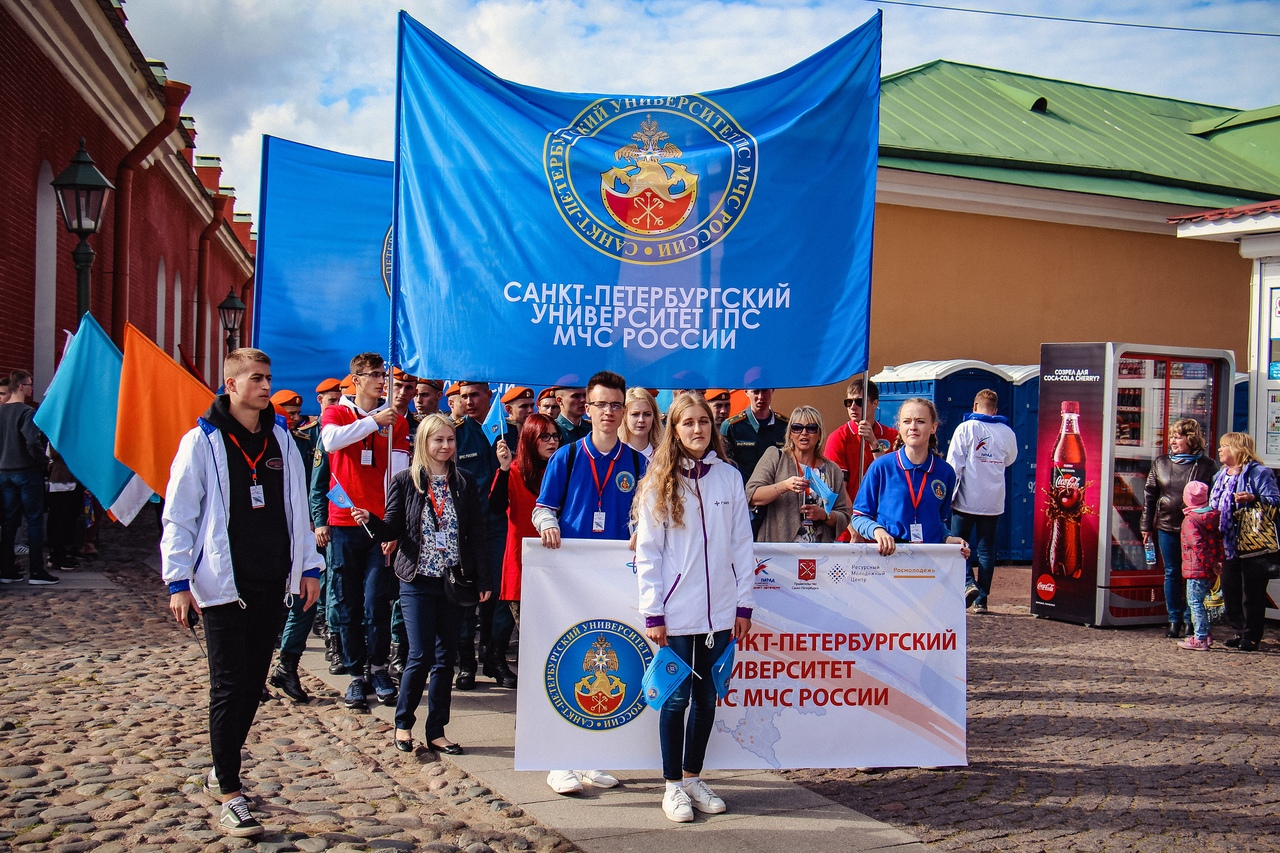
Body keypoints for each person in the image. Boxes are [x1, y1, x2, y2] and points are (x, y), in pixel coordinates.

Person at [162, 348, 323, 838]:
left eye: (268, 377)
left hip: (272, 580)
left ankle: (221, 767)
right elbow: (180, 513)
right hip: (221, 584)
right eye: (256, 378)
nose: (266, 386)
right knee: (229, 685)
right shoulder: (202, 441)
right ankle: (230, 792)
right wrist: (178, 582)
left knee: (253, 685)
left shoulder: (282, 438)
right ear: (231, 384)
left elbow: (297, 507)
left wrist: (308, 567)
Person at [634, 392, 755, 823]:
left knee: (707, 698)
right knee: (676, 698)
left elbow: (742, 544)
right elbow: (649, 552)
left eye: (703, 421)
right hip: (677, 613)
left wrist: (744, 604)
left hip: (720, 611)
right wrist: (653, 612)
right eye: (688, 423)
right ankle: (671, 787)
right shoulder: (659, 480)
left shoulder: (728, 477)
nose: (697, 429)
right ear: (674, 429)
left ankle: (692, 779)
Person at [352, 413, 494, 755]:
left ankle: (437, 730)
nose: (445, 446)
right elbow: (392, 528)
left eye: (450, 440)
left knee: (446, 659)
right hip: (417, 580)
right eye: (438, 440)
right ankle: (403, 724)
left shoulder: (464, 481)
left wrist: (484, 577)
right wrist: (371, 521)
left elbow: (477, 532)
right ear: (424, 443)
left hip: (453, 581)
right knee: (420, 654)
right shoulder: (405, 481)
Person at [533, 370, 646, 795]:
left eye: (616, 405)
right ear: (588, 407)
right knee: (567, 659)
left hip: (617, 578)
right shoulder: (567, 456)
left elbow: (645, 514)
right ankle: (558, 760)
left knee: (607, 660)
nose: (608, 412)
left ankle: (593, 756)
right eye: (600, 404)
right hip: (571, 578)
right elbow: (543, 507)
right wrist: (547, 525)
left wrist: (641, 529)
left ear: (623, 410)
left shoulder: (637, 462)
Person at [321, 352, 412, 710]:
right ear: (356, 379)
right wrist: (373, 422)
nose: (381, 381)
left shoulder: (396, 422)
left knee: (377, 600)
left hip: (378, 524)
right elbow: (331, 441)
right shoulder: (337, 412)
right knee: (347, 601)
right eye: (373, 374)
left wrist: (394, 526)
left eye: (383, 374)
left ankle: (378, 667)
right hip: (345, 521)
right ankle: (355, 673)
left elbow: (399, 476)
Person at [849, 398, 970, 560]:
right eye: (907, 421)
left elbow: (938, 521)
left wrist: (948, 538)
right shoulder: (881, 467)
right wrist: (877, 531)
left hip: (930, 560)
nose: (913, 427)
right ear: (899, 427)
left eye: (920, 421)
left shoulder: (946, 472)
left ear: (933, 427)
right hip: (890, 557)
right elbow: (859, 517)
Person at [489, 413, 560, 680]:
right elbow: (496, 507)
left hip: (555, 555)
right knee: (515, 618)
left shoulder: (562, 469)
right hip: (523, 556)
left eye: (555, 436)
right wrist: (504, 469)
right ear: (530, 439)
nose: (552, 442)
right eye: (545, 436)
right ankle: (497, 662)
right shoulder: (515, 470)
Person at [452, 381, 509, 690]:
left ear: (489, 396)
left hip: (500, 524)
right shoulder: (456, 434)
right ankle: (466, 663)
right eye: (464, 396)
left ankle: (495, 657)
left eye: (475, 395)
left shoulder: (507, 432)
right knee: (466, 595)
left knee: (499, 594)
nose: (469, 401)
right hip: (468, 528)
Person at [1141, 418, 1219, 638]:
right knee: (1172, 572)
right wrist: (1146, 525)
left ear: (1191, 439)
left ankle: (1191, 619)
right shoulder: (1161, 463)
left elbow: (1216, 496)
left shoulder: (1207, 465)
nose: (1173, 441)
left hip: (1196, 529)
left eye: (1178, 437)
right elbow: (1149, 495)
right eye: (1172, 437)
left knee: (1194, 576)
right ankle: (1174, 619)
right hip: (1167, 525)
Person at [946, 389, 1019, 613]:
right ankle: (982, 600)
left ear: (975, 407)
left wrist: (947, 496)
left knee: (959, 546)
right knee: (987, 550)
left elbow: (954, 464)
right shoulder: (1007, 432)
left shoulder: (966, 428)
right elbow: (1010, 460)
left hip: (965, 499)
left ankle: (969, 583)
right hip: (993, 502)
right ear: (995, 410)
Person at [1209, 431, 1278, 652]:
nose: (1220, 450)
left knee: (1252, 591)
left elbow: (1275, 500)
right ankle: (1239, 630)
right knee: (1230, 589)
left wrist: (1253, 498)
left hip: (1253, 541)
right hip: (1228, 542)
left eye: (1224, 446)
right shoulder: (1220, 475)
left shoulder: (1259, 472)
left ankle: (1252, 636)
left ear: (1237, 449)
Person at [746, 406, 851, 543]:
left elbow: (844, 515)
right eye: (797, 428)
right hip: (779, 548)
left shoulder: (832, 470)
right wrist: (784, 486)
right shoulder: (775, 457)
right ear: (790, 433)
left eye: (811, 428)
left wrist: (824, 515)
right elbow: (751, 495)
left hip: (819, 550)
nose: (804, 433)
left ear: (819, 434)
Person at [0, 370, 57, 586]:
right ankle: (36, 571)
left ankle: (7, 569)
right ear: (21, 386)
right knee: (33, 521)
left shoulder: (1, 411)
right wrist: (43, 461)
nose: (31, 388)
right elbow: (32, 442)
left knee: (9, 522)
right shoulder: (27, 412)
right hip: (26, 471)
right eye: (29, 384)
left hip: (4, 472)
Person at [824, 377, 897, 513]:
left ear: (875, 404)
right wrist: (853, 520)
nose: (853, 407)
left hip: (885, 515)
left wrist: (874, 443)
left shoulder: (892, 436)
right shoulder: (838, 437)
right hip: (852, 516)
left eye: (859, 402)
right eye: (848, 402)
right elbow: (837, 487)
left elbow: (893, 477)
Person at [721, 388, 788, 533]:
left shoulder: (785, 427)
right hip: (743, 506)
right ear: (746, 391)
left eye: (765, 391)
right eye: (756, 391)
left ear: (773, 390)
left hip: (777, 505)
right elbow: (724, 471)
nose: (760, 397)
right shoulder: (732, 427)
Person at [1177, 480, 1223, 651]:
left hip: (1195, 569)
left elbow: (1198, 546)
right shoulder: (1212, 517)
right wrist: (1217, 563)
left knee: (1195, 603)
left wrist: (1211, 563)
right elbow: (1219, 541)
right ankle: (1206, 634)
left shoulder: (1190, 521)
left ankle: (1200, 638)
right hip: (1208, 569)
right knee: (1201, 603)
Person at [618, 387, 664, 461]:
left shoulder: (664, 456)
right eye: (635, 414)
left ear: (654, 417)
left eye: (647, 414)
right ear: (625, 416)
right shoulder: (615, 454)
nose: (641, 420)